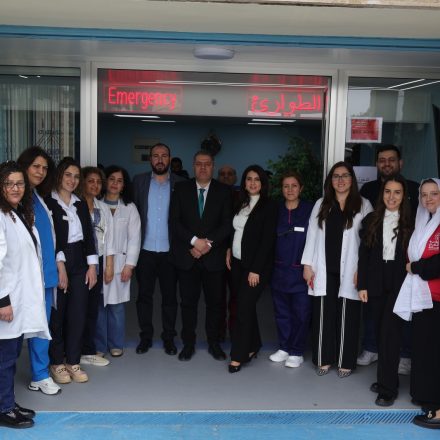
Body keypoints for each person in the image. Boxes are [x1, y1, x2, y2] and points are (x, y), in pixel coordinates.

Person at [302, 161, 372, 378]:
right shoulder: (321, 204)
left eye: (345, 175)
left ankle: (345, 361)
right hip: (323, 267)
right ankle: (323, 359)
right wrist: (307, 265)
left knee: (348, 315)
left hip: (352, 268)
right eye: (336, 176)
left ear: (352, 179)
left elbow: (369, 241)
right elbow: (311, 235)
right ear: (330, 181)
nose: (340, 180)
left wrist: (363, 270)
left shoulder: (364, 205)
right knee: (323, 315)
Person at [358, 144, 418, 371]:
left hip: (401, 268)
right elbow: (365, 239)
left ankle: (404, 354)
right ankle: (371, 348)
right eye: (382, 160)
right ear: (377, 164)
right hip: (376, 266)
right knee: (373, 312)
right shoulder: (368, 190)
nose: (386, 164)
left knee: (402, 312)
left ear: (400, 163)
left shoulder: (414, 188)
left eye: (391, 159)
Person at [0, 161, 50, 429]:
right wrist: (2, 301)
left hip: (17, 299)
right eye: (8, 183)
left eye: (19, 183)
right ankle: (4, 408)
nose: (15, 188)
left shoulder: (16, 213)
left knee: (9, 357)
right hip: (6, 301)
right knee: (5, 359)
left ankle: (7, 402)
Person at [170, 150, 232, 361]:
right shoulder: (181, 188)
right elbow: (175, 221)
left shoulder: (224, 191)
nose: (203, 167)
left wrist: (207, 244)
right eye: (199, 164)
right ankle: (188, 344)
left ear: (213, 166)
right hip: (188, 256)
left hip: (213, 259)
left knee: (215, 304)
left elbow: (227, 224)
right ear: (193, 166)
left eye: (207, 164)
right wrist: (194, 241)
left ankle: (214, 343)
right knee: (188, 304)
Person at [357, 175, 413, 406]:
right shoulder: (371, 219)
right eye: (388, 191)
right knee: (381, 334)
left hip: (400, 282)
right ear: (382, 194)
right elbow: (364, 255)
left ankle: (387, 389)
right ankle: (387, 379)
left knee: (390, 336)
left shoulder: (412, 222)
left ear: (404, 195)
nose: (392, 196)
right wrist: (362, 284)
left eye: (397, 192)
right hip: (376, 282)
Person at [45, 157, 98, 384]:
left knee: (78, 313)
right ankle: (57, 362)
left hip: (80, 261)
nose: (72, 180)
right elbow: (51, 238)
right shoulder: (49, 202)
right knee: (58, 314)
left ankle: (73, 361)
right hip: (58, 259)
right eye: (68, 175)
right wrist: (60, 266)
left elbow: (89, 238)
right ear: (59, 176)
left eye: (76, 176)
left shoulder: (80, 204)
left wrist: (92, 266)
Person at [394, 178, 440, 429]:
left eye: (434, 193)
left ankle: (437, 409)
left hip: (437, 298)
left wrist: (416, 267)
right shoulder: (423, 221)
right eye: (424, 194)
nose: (428, 199)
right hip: (423, 298)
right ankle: (425, 396)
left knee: (435, 353)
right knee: (423, 351)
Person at [17, 147, 61, 395]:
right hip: (27, 278)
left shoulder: (37, 197)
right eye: (36, 166)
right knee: (19, 331)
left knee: (41, 327)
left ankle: (40, 375)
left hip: (45, 275)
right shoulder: (16, 199)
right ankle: (36, 374)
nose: (41, 172)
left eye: (44, 168)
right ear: (24, 166)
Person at [132, 143, 183, 356]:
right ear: (150, 159)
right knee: (144, 297)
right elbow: (132, 214)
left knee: (169, 298)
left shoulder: (181, 184)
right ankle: (145, 337)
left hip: (170, 251)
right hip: (144, 251)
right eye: (156, 156)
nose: (160, 159)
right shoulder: (139, 181)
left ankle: (169, 338)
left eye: (164, 156)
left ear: (170, 158)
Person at [227, 165, 277, 373]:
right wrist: (229, 250)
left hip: (257, 267)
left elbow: (267, 241)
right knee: (243, 305)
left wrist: (255, 270)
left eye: (257, 179)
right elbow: (235, 230)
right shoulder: (240, 202)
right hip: (237, 263)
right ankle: (254, 344)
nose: (253, 183)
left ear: (263, 183)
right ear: (244, 182)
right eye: (249, 179)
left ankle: (238, 355)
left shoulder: (269, 206)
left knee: (243, 308)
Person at [95, 166, 141, 357]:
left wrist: (129, 266)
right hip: (99, 263)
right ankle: (99, 346)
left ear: (124, 186)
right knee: (99, 306)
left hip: (121, 264)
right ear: (105, 181)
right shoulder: (95, 205)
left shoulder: (129, 208)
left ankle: (116, 343)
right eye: (111, 179)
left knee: (116, 306)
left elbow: (134, 239)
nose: (115, 183)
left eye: (119, 180)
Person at [269, 171, 313, 368]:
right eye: (286, 186)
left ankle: (296, 351)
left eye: (294, 185)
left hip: (301, 272)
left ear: (301, 188)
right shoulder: (275, 210)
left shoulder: (310, 210)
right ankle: (284, 347)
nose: (290, 190)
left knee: (301, 313)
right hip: (278, 270)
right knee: (281, 312)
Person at [79, 167, 114, 367]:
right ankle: (71, 350)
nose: (95, 185)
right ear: (83, 182)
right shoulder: (74, 205)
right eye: (91, 181)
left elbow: (110, 240)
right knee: (76, 309)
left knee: (92, 308)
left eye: (99, 182)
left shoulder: (103, 208)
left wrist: (108, 266)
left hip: (98, 262)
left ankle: (87, 351)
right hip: (78, 263)